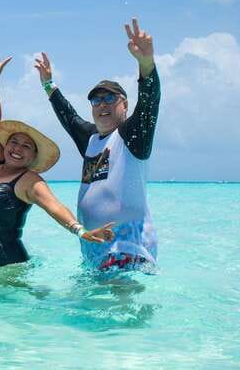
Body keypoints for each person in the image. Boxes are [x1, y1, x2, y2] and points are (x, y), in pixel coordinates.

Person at [0, 56, 114, 266]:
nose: (17, 149)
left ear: (34, 156)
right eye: (14, 142)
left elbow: (54, 207)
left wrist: (81, 231)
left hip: (8, 267)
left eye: (26, 146)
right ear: (5, 145)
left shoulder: (29, 181)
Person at [36, 18, 160, 271]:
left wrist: (146, 64)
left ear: (124, 105)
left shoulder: (132, 137)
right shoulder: (91, 139)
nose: (102, 104)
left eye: (110, 98)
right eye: (96, 100)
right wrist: (48, 84)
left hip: (127, 248)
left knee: (114, 297)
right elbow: (68, 117)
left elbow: (149, 102)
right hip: (95, 250)